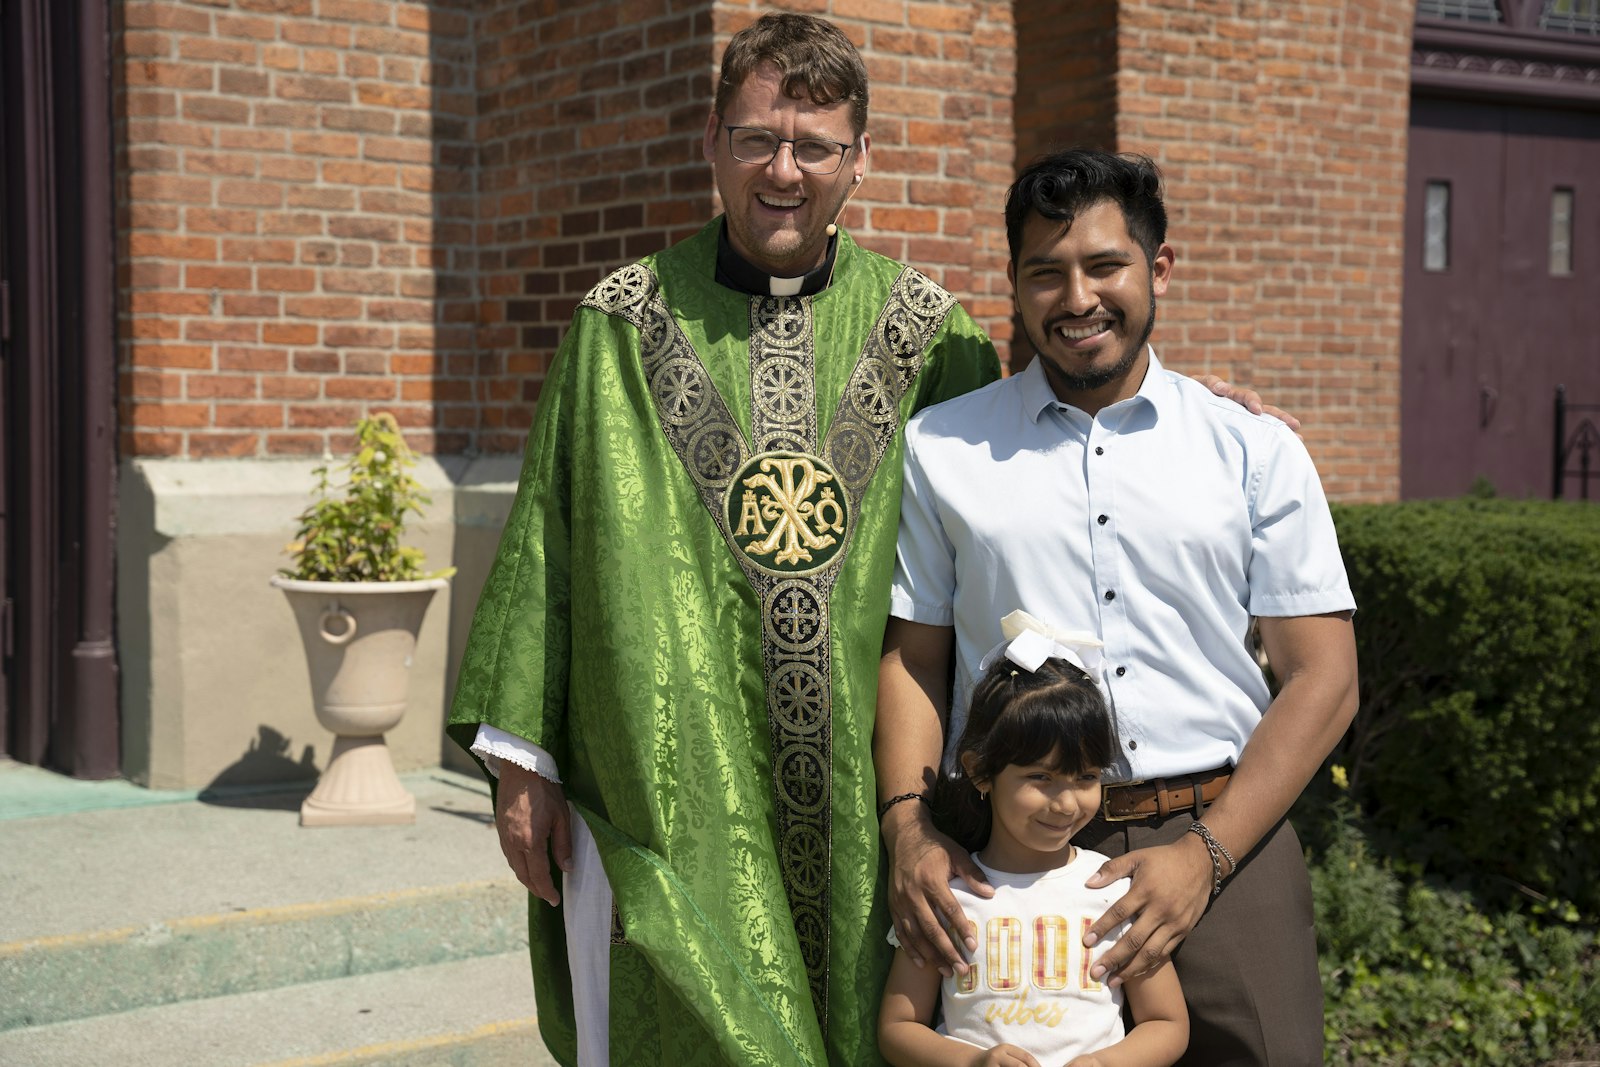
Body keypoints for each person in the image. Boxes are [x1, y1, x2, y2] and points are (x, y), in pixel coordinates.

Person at [450, 15, 1284, 1065]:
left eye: (815, 146)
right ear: (712, 142)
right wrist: (524, 759)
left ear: (861, 160)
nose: (784, 171)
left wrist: (1197, 409)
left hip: (873, 804)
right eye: (757, 140)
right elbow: (547, 548)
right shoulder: (620, 326)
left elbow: (1041, 455)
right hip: (682, 787)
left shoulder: (930, 336)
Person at [875, 148, 1358, 1066]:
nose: (1077, 297)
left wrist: (1205, 855)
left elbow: (1324, 677)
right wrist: (909, 828)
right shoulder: (943, 448)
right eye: (1046, 273)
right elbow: (913, 660)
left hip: (1224, 839)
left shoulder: (1251, 450)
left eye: (1105, 265)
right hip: (1010, 853)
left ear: (1158, 268)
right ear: (1014, 286)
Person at [879, 613, 1187, 1067]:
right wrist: (973, 1063)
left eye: (1084, 777)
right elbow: (897, 1028)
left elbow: (1168, 1023)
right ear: (981, 771)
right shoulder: (945, 897)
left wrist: (1103, 1064)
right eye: (1040, 777)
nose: (1065, 804)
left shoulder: (1114, 894)